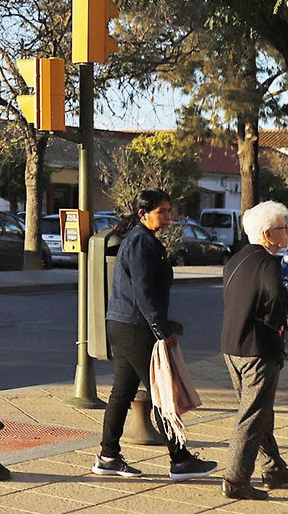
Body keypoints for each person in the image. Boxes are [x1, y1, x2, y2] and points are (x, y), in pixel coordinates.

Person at [92, 189, 218, 480]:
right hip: (136, 326)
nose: (168, 217)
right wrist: (162, 330)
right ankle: (180, 459)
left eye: (169, 211)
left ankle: (108, 456)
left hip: (125, 324)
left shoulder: (143, 240)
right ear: (143, 214)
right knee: (162, 391)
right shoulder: (140, 243)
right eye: (162, 211)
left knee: (122, 393)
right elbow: (144, 292)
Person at [219, 200, 288, 500]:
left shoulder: (236, 259)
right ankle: (235, 479)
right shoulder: (268, 263)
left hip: (232, 346)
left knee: (259, 410)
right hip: (258, 348)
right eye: (284, 227)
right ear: (269, 234)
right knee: (253, 414)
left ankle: (273, 467)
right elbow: (275, 297)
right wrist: (281, 321)